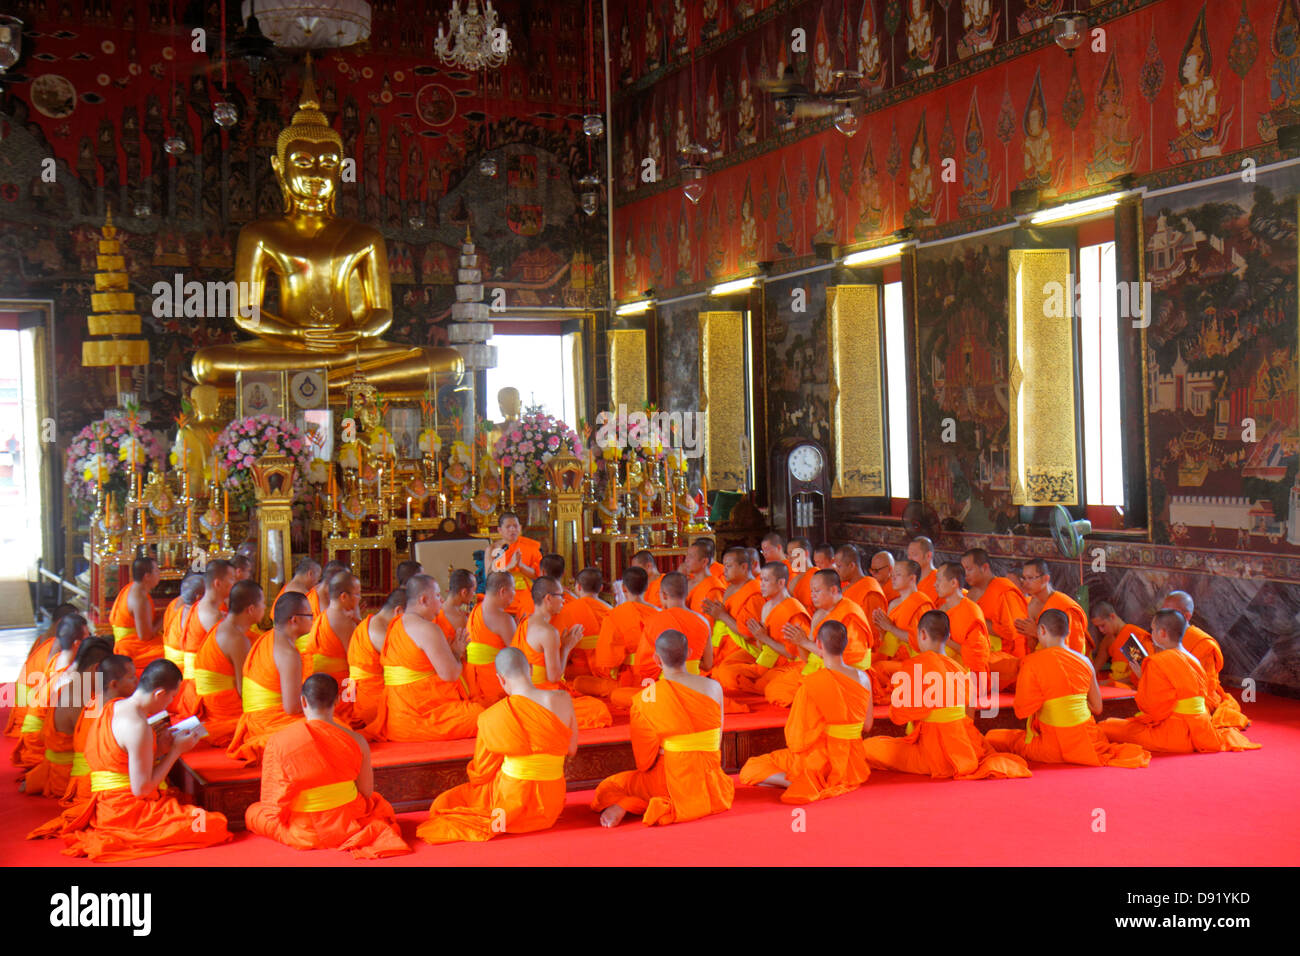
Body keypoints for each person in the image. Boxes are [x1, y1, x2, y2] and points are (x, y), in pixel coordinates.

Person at [58, 660, 232, 861]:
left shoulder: (114, 706)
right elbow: (141, 789)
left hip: (108, 805)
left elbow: (124, 760)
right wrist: (175, 751)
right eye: (172, 696)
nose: (170, 702)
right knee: (211, 823)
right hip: (129, 814)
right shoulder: (138, 726)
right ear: (159, 694)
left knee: (193, 811)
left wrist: (159, 749)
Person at [418, 647, 577, 844]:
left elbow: (482, 771)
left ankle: (502, 821)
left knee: (446, 803)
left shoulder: (492, 716)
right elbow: (571, 750)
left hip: (511, 801)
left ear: (500, 679)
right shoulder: (563, 699)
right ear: (530, 668)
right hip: (551, 805)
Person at [244, 674, 411, 858]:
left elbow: (273, 801)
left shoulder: (280, 741)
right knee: (377, 804)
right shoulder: (357, 740)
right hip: (348, 824)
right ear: (338, 701)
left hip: (304, 831)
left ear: (303, 702)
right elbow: (366, 791)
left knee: (253, 812)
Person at [861, 612, 1033, 780]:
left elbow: (898, 717)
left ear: (922, 634)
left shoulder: (915, 666)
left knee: (868, 748)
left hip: (932, 756)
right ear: (948, 636)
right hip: (966, 752)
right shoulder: (961, 669)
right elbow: (969, 716)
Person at [591, 630, 734, 827]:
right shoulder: (713, 687)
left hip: (672, 779)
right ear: (689, 653)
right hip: (712, 780)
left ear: (656, 659)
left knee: (611, 786)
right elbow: (716, 739)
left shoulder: (649, 697)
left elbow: (644, 760)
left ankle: (627, 804)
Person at [986, 609, 1150, 768]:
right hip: (1088, 745)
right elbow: (1098, 708)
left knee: (994, 737)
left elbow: (1021, 711)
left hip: (1049, 748)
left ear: (1041, 630)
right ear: (1068, 632)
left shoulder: (1031, 662)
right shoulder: (1085, 661)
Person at [740, 619, 873, 802]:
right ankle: (809, 779)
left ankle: (799, 781)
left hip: (820, 761)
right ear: (845, 644)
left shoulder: (813, 683)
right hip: (852, 762)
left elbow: (797, 738)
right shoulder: (864, 678)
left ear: (818, 644)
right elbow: (867, 726)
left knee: (751, 768)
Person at [1099, 610, 1259, 753]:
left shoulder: (1158, 661)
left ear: (1162, 633)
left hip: (1173, 734)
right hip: (1202, 730)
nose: (1151, 634)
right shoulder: (1194, 659)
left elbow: (1152, 709)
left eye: (1153, 630)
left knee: (1106, 726)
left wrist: (1143, 678)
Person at [27, 654, 136, 840]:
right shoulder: (108, 710)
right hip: (97, 789)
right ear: (113, 683)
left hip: (79, 781)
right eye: (132, 677)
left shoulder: (93, 701)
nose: (137, 681)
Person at [364, 574, 483, 742]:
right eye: (437, 595)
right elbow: (450, 675)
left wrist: (451, 653)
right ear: (424, 600)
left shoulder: (397, 624)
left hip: (397, 717)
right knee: (479, 715)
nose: (441, 600)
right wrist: (456, 652)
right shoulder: (427, 629)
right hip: (418, 717)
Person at [227, 591, 313, 764]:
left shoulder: (266, 638)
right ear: (294, 620)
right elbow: (292, 708)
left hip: (254, 721)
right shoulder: (288, 654)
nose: (314, 619)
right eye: (310, 615)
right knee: (331, 728)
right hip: (270, 724)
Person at [763, 569, 873, 706]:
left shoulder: (850, 614)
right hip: (817, 669)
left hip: (842, 675)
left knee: (798, 694)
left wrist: (805, 642)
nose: (812, 596)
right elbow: (806, 658)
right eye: (811, 591)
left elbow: (845, 658)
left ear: (833, 590)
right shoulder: (819, 614)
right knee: (774, 688)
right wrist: (798, 642)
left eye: (817, 591)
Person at [514, 576, 613, 728]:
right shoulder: (548, 631)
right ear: (548, 598)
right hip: (541, 696)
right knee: (598, 709)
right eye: (561, 596)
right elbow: (554, 677)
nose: (564, 600)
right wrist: (567, 647)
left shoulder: (525, 622)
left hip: (523, 693)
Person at [21, 637, 113, 797]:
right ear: (96, 668)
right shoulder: (78, 698)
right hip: (67, 777)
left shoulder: (70, 685)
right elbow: (99, 745)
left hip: (57, 767)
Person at [724, 560, 813, 698]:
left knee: (774, 690)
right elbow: (763, 648)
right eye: (761, 580)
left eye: (766, 580)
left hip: (791, 666)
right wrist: (760, 638)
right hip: (768, 663)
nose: (762, 585)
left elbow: (794, 655)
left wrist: (764, 638)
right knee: (727, 674)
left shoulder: (793, 611)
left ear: (781, 583)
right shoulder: (766, 607)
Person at [1161, 591, 1249, 729]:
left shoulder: (1203, 644)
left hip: (1195, 699)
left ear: (1186, 616)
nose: (1163, 617)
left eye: (1170, 612)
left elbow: (1207, 688)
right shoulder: (1163, 634)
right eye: (1163, 611)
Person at [13, 614, 88, 771]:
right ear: (77, 644)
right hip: (39, 740)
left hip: (36, 733)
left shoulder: (57, 659)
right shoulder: (67, 676)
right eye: (87, 638)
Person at [193, 580, 265, 747]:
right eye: (263, 603)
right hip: (224, 713)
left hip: (213, 704)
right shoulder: (237, 639)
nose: (265, 608)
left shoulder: (223, 626)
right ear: (251, 609)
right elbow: (244, 692)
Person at [575, 565, 659, 699]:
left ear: (624, 588)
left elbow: (607, 662)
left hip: (627, 681)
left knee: (581, 683)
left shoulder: (615, 615)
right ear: (647, 587)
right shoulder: (659, 613)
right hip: (655, 678)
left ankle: (639, 697)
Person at [5, 604, 76, 739]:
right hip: (31, 709)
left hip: (29, 700)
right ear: (62, 623)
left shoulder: (44, 638)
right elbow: (53, 687)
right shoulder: (55, 646)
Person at [301, 571, 363, 722]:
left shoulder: (325, 615)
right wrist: (352, 696)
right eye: (357, 594)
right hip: (339, 686)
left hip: (319, 683)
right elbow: (354, 662)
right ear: (343, 597)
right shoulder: (344, 622)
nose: (359, 599)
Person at [634, 572, 713, 687]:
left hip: (666, 684)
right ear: (686, 593)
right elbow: (707, 664)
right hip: (695, 685)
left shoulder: (653, 621)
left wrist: (671, 664)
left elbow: (644, 665)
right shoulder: (703, 621)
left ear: (664, 595)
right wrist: (689, 665)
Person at [961, 547, 1028, 682]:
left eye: (969, 569)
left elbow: (1014, 631)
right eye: (964, 570)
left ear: (984, 568)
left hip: (1006, 658)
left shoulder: (1003, 590)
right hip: (980, 651)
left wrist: (979, 623)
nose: (965, 575)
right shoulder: (970, 594)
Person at [700, 547, 765, 676]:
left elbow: (749, 634)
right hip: (725, 646)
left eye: (729, 566)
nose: (725, 571)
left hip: (746, 649)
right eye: (724, 566)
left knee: (725, 673)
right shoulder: (730, 589)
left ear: (744, 567)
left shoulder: (755, 592)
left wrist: (722, 615)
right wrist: (716, 613)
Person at [347, 588, 405, 726]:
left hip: (361, 691)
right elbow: (406, 663)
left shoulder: (373, 622)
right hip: (371, 698)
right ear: (398, 611)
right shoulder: (378, 631)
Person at [463, 571, 519, 705]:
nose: (515, 594)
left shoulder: (475, 610)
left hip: (471, 683)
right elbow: (517, 657)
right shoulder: (504, 619)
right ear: (503, 591)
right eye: (514, 589)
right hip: (494, 685)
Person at [1014, 558, 1088, 654]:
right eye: (1024, 578)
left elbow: (1075, 648)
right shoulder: (1029, 603)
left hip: (1061, 662)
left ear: (1045, 579)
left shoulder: (1064, 606)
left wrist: (1037, 632)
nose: (1025, 583)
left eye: (1030, 578)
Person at [933, 562, 992, 675]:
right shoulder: (940, 609)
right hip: (940, 670)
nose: (935, 585)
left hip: (967, 674)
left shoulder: (971, 611)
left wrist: (946, 641)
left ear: (954, 582)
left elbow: (977, 657)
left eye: (939, 580)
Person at [554, 567, 613, 678]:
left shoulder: (567, 610)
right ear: (601, 588)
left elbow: (558, 645)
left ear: (579, 587)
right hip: (606, 670)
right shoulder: (611, 611)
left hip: (577, 671)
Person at [109, 556, 163, 674]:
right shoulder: (140, 598)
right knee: (169, 650)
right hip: (131, 649)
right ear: (147, 576)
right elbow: (145, 636)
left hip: (127, 643)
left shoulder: (131, 588)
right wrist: (163, 619)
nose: (159, 573)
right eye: (156, 571)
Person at [1089, 601, 1153, 689]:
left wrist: (1109, 683)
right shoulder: (1107, 640)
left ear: (1112, 617)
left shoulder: (1133, 636)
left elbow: (1142, 674)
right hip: (1113, 685)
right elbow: (1093, 670)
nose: (1101, 630)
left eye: (1103, 625)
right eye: (1098, 627)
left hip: (1130, 689)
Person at [490, 511, 542, 618]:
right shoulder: (495, 548)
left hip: (524, 590)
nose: (512, 529)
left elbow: (537, 574)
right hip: (502, 589)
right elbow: (491, 574)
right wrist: (510, 567)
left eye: (515, 526)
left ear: (520, 528)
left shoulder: (530, 547)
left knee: (529, 610)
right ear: (500, 530)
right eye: (508, 527)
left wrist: (521, 566)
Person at [834, 545, 888, 641]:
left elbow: (872, 632)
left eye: (839, 566)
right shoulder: (845, 586)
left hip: (861, 648)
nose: (836, 570)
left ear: (851, 566)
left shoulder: (869, 591)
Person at [162, 574, 204, 673]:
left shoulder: (178, 609)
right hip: (186, 674)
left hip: (172, 667)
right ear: (199, 597)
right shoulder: (198, 616)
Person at [681, 541, 724, 614]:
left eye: (691, 557)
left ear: (704, 562)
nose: (686, 560)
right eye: (686, 556)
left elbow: (709, 623)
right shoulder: (688, 582)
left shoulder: (712, 588)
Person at [793, 544, 835, 609]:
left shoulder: (840, 577)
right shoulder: (812, 573)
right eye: (816, 562)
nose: (818, 566)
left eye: (821, 563)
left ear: (832, 561)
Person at [908, 536, 939, 602]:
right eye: (909, 555)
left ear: (928, 556)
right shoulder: (909, 578)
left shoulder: (939, 579)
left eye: (914, 554)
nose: (910, 559)